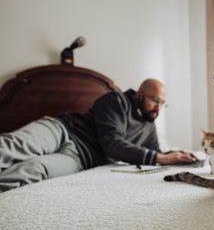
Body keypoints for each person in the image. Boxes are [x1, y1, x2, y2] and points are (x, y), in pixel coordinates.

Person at [0, 78, 198, 192]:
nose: (158, 108)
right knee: (16, 146)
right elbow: (111, 143)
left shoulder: (149, 125)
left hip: (80, 158)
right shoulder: (116, 100)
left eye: (163, 103)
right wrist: (161, 157)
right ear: (139, 94)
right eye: (155, 100)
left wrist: (174, 155)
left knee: (33, 170)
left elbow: (153, 154)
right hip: (64, 130)